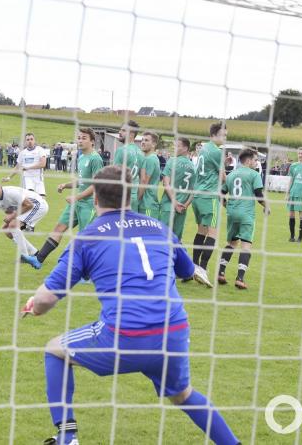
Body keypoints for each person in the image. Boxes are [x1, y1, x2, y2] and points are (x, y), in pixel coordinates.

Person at [20, 165, 241, 445]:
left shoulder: (88, 237)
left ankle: (68, 436)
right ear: (131, 197)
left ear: (96, 199)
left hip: (125, 335)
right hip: (172, 331)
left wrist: (33, 307)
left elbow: (45, 300)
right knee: (183, 395)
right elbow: (187, 271)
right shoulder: (160, 228)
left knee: (54, 350)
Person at [30, 128, 103, 266]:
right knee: (59, 228)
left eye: (84, 138)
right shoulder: (81, 157)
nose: (80, 140)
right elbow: (81, 180)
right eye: (79, 138)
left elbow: (96, 185)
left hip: (90, 204)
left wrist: (77, 197)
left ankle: (87, 273)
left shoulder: (95, 159)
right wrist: (66, 185)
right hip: (77, 202)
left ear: (92, 142)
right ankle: (38, 259)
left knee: (85, 238)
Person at [217, 148, 270, 289]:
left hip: (232, 213)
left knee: (232, 244)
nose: (256, 162)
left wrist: (226, 205)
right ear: (248, 160)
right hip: (246, 213)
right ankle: (240, 278)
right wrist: (267, 206)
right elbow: (259, 195)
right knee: (245, 246)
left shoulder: (231, 174)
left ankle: (220, 272)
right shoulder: (254, 174)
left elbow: (221, 193)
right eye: (255, 160)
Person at [190, 122, 227, 288]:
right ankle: (203, 270)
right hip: (210, 196)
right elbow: (223, 177)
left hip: (197, 196)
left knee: (201, 232)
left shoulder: (203, 149)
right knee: (212, 234)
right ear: (214, 135)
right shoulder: (216, 151)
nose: (225, 138)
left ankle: (193, 267)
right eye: (223, 135)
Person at [0, 178, 49, 267]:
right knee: (7, 230)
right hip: (26, 208)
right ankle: (34, 252)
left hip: (38, 205)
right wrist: (9, 220)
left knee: (13, 225)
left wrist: (12, 217)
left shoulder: (10, 192)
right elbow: (10, 212)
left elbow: (29, 205)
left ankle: (24, 256)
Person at [159, 137, 196, 242]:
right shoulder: (193, 166)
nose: (174, 148)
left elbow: (166, 183)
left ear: (185, 148)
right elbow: (194, 190)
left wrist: (174, 202)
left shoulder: (172, 161)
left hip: (169, 206)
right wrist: (186, 205)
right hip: (181, 209)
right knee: (176, 241)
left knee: (162, 238)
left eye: (177, 146)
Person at [2, 133, 48, 197]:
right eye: (28, 140)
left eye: (31, 139)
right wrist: (9, 177)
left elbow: (43, 164)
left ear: (34, 140)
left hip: (38, 179)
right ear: (25, 142)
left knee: (42, 199)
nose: (30, 141)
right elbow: (17, 167)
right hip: (27, 178)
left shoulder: (40, 150)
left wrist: (28, 168)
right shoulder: (22, 153)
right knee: (30, 197)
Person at [113, 120, 144, 212]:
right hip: (133, 196)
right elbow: (142, 179)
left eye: (123, 130)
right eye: (120, 130)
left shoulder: (122, 150)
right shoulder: (140, 153)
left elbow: (114, 176)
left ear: (131, 134)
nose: (119, 132)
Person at [136, 131, 162, 218]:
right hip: (146, 204)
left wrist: (135, 201)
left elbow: (144, 182)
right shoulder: (149, 158)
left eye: (146, 140)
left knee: (147, 231)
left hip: (147, 204)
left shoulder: (150, 159)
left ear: (154, 144)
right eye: (142, 140)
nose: (143, 142)